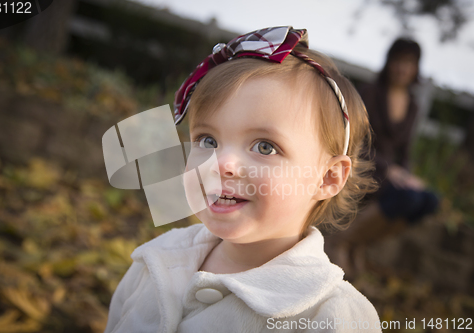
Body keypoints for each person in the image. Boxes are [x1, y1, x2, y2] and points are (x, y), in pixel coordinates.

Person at [104, 26, 382, 332]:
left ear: (327, 178)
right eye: (208, 140)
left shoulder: (333, 316)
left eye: (265, 147)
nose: (222, 164)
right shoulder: (157, 260)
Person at [325, 38, 441, 277]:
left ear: (416, 68)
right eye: (398, 61)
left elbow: (405, 152)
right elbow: (356, 140)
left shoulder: (413, 106)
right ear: (389, 63)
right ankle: (341, 242)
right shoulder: (370, 93)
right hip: (364, 165)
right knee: (408, 199)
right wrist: (389, 169)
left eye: (409, 63)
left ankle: (358, 243)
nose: (402, 68)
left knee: (429, 201)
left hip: (390, 174)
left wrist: (407, 175)